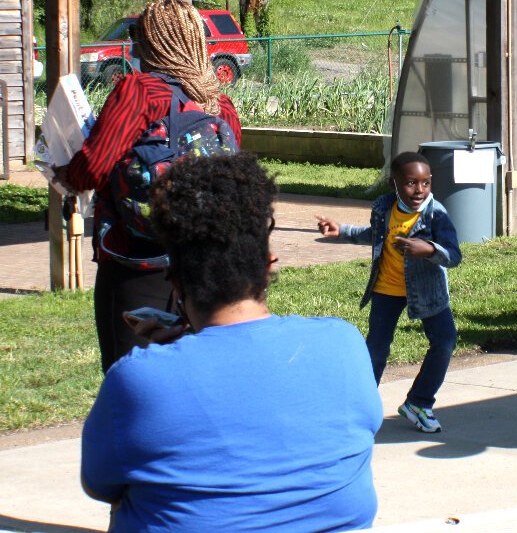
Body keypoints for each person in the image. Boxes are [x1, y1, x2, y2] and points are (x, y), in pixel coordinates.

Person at [80, 153, 382, 533]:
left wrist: (174, 354)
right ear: (269, 265)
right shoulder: (344, 344)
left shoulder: (140, 377)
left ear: (175, 283)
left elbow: (100, 484)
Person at [58, 0, 242, 372]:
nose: (135, 45)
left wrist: (62, 170)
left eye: (140, 36)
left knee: (132, 376)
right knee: (194, 374)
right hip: (208, 266)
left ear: (156, 43)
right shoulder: (221, 106)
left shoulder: (139, 91)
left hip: (138, 263)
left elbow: (90, 170)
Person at [316, 151, 462, 434]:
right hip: (386, 289)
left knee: (444, 341)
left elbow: (454, 255)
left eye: (425, 183)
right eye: (410, 183)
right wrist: (342, 231)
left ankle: (419, 402)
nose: (419, 190)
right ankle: (362, 408)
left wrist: (429, 250)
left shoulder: (436, 214)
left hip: (428, 292)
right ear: (395, 183)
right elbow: (376, 234)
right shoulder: (385, 207)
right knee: (377, 350)